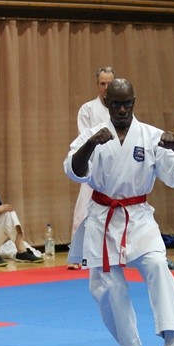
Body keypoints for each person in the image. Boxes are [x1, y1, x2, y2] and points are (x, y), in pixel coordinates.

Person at [63, 78, 174, 346]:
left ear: (133, 102)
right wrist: (90, 144)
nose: (122, 109)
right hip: (102, 217)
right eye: (116, 104)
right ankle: (129, 345)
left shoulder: (151, 136)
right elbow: (74, 171)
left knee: (158, 267)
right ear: (107, 103)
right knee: (106, 287)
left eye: (126, 104)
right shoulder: (92, 135)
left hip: (138, 217)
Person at [71, 67, 115, 240]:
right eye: (102, 83)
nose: (106, 87)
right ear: (97, 85)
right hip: (94, 167)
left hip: (117, 168)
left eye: (110, 83)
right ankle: (78, 250)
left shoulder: (123, 110)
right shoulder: (87, 109)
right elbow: (84, 140)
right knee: (83, 210)